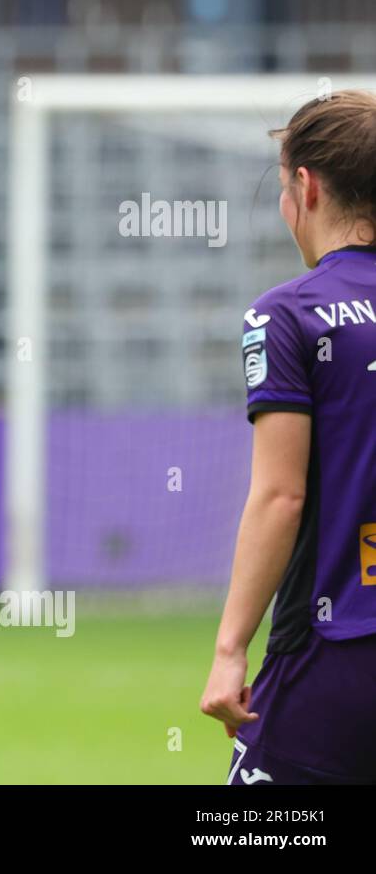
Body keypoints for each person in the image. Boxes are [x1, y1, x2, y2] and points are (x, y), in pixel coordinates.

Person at [200, 89, 376, 784]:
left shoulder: (288, 315)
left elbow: (281, 495)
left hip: (334, 646)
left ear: (306, 186)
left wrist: (230, 647)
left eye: (281, 186)